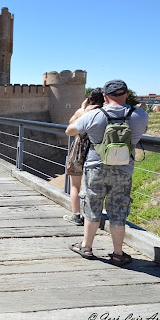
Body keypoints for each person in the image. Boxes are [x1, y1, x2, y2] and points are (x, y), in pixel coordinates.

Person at [65, 79, 148, 266]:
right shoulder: (140, 115)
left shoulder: (95, 114)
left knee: (92, 208)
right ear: (127, 94)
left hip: (95, 167)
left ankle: (86, 247)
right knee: (118, 212)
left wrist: (84, 111)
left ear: (104, 96)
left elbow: (69, 131)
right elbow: (140, 133)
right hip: (124, 169)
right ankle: (118, 253)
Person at [63, 88, 105, 226]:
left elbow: (70, 124)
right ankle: (93, 216)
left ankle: (76, 215)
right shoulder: (105, 113)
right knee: (93, 186)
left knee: (75, 184)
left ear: (89, 99)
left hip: (80, 149)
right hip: (98, 151)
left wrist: (82, 109)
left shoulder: (84, 112)